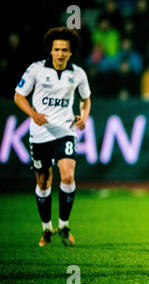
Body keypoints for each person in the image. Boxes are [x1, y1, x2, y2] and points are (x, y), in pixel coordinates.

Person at [13, 27, 91, 247]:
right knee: (43, 181)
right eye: (56, 49)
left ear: (70, 52)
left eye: (64, 50)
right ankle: (46, 228)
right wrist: (33, 115)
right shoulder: (36, 70)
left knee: (67, 176)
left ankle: (64, 225)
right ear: (51, 50)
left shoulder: (78, 74)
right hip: (40, 134)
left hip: (65, 131)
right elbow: (19, 96)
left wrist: (84, 116)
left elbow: (86, 99)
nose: (60, 53)